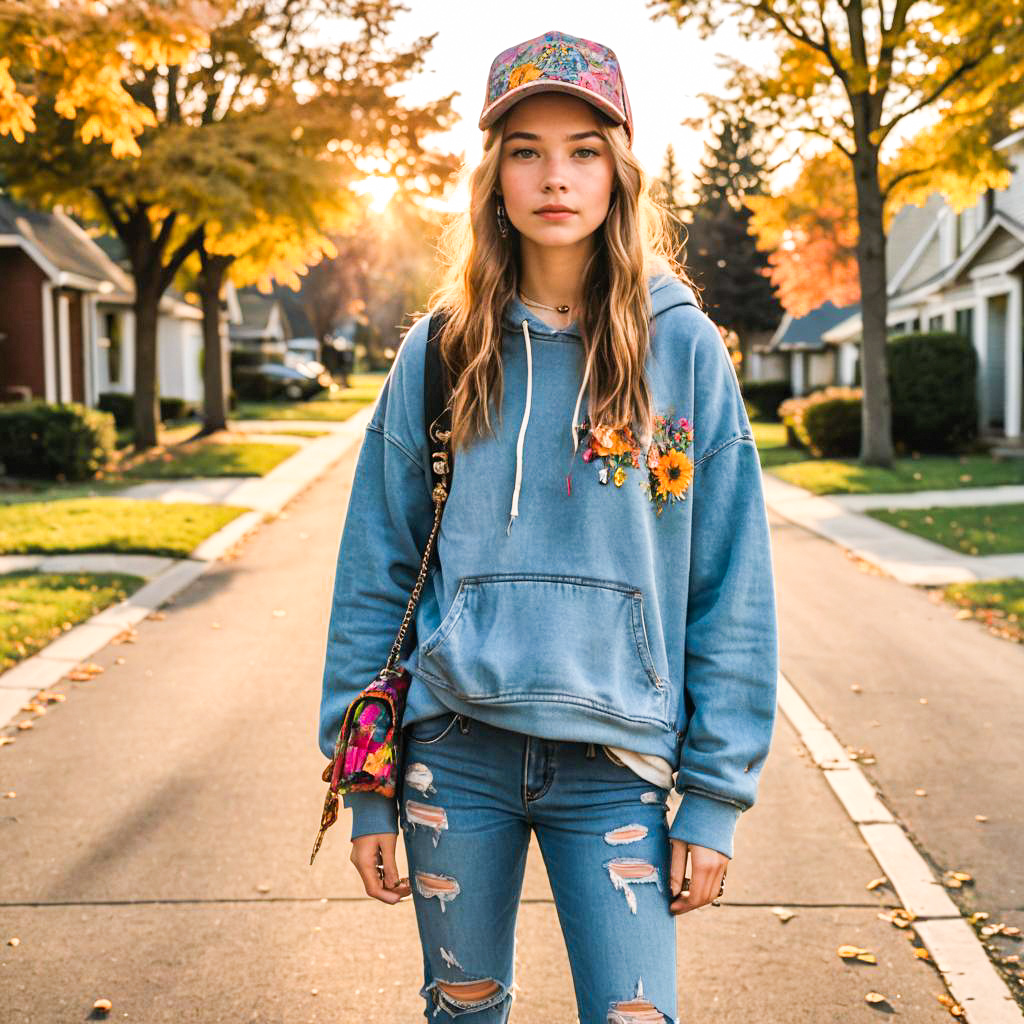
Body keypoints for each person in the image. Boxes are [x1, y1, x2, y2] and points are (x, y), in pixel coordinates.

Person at [318, 29, 778, 1024]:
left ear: (619, 172)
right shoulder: (441, 350)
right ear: (493, 177)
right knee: (465, 1011)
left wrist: (714, 794)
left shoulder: (684, 349)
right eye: (525, 149)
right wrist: (363, 782)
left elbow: (729, 579)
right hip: (456, 749)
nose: (554, 176)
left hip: (615, 766)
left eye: (582, 149)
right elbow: (377, 570)